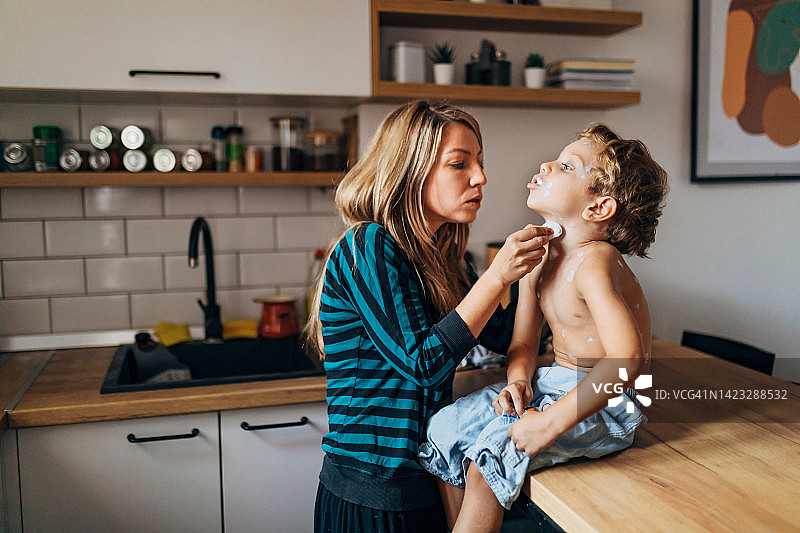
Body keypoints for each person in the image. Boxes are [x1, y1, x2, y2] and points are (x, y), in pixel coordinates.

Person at [304, 100, 554, 533]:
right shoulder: (368, 247)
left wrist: (545, 275)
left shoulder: (446, 260)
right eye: (459, 164)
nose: (481, 177)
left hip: (429, 483)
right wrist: (496, 278)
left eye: (479, 162)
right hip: (372, 496)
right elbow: (422, 363)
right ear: (410, 171)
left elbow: (504, 334)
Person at [419, 123, 669, 532]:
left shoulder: (596, 262)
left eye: (567, 166)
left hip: (605, 403)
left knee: (492, 455)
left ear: (598, 208)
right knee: (443, 428)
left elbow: (628, 361)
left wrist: (550, 423)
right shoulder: (540, 257)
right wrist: (518, 382)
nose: (547, 164)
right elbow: (524, 341)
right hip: (552, 383)